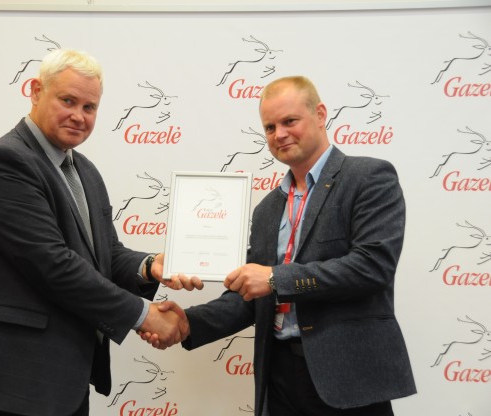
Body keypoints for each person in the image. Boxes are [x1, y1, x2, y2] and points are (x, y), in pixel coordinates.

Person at [0, 49, 200, 416]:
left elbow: (106, 253)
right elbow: (54, 265)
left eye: (89, 107)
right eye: (68, 101)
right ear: (36, 91)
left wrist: (149, 265)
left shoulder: (85, 171)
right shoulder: (5, 162)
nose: (79, 116)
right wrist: (145, 314)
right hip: (5, 382)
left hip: (62, 381)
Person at [146, 76, 416, 415]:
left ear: (320, 114)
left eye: (290, 121)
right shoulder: (267, 209)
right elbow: (250, 295)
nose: (280, 134)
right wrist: (188, 323)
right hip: (279, 377)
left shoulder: (368, 178)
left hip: (348, 378)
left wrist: (275, 278)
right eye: (270, 127)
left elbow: (372, 267)